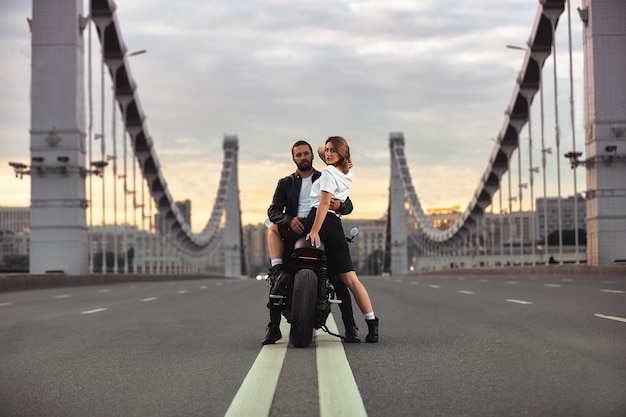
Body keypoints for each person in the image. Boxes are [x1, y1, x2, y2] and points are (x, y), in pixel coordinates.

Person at [262, 140, 360, 345]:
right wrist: (290, 220)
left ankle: (351, 328)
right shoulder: (285, 183)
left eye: (306, 154)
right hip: (295, 231)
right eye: (299, 155)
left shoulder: (328, 174)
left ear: (312, 156)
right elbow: (273, 211)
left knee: (339, 279)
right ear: (293, 158)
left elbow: (348, 205)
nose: (303, 157)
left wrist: (339, 204)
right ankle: (273, 328)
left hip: (322, 230)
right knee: (279, 281)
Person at [303, 136, 379, 343]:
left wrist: (315, 230)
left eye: (332, 151)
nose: (326, 153)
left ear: (342, 154)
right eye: (326, 150)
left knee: (299, 260)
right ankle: (371, 324)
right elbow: (322, 151)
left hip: (319, 220)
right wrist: (335, 152)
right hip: (336, 226)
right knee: (349, 280)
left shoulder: (328, 172)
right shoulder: (347, 172)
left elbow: (324, 203)